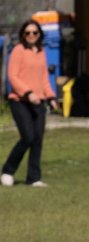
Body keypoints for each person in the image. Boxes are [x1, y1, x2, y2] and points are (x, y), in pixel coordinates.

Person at [1, 20, 57, 188]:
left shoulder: (41, 52)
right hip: (20, 100)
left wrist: (51, 96)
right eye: (28, 33)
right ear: (23, 35)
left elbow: (44, 78)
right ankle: (8, 170)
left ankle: (33, 178)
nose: (31, 35)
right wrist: (28, 92)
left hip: (38, 101)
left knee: (38, 139)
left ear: (39, 34)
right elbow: (13, 76)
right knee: (28, 137)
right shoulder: (18, 50)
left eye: (34, 32)